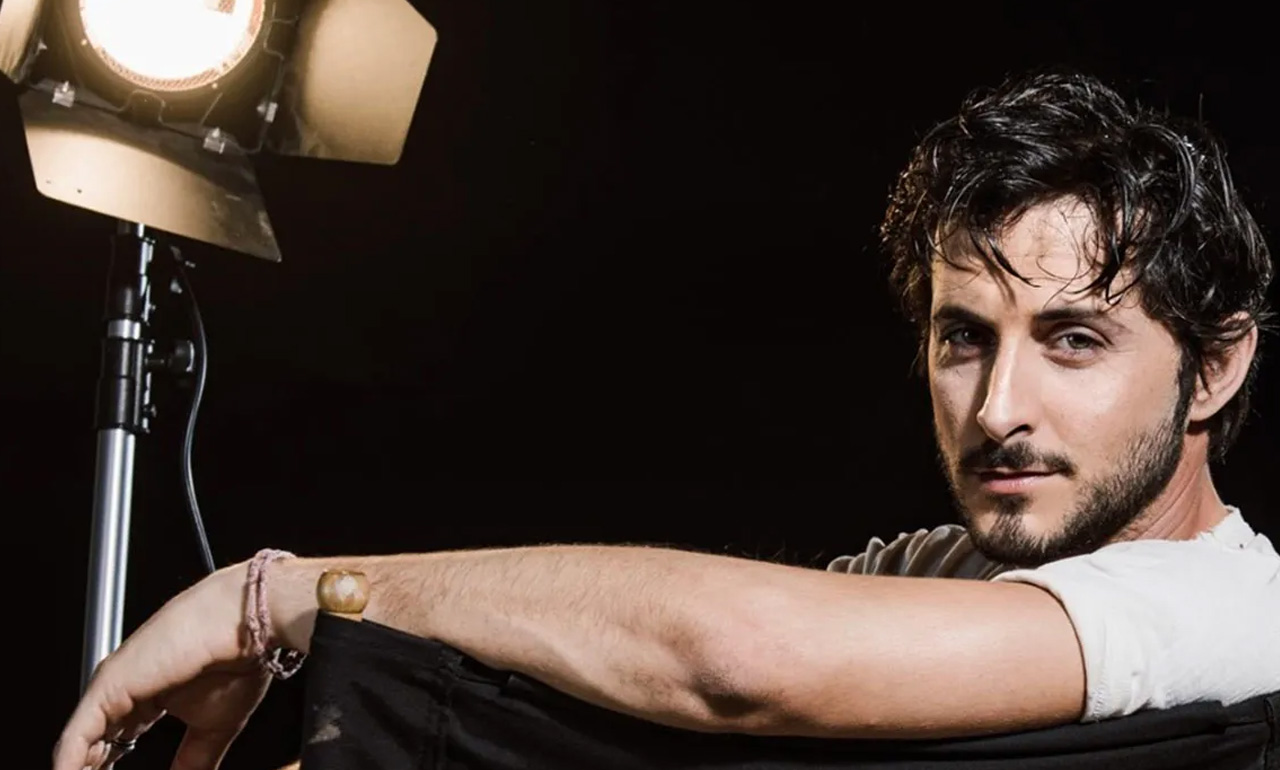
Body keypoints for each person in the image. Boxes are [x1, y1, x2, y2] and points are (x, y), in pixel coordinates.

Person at [53, 67, 1278, 770]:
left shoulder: (1236, 607)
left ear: (1214, 367)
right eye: (962, 338)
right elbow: (620, 660)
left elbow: (735, 660)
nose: (997, 406)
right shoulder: (947, 569)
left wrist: (281, 596)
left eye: (1072, 339)